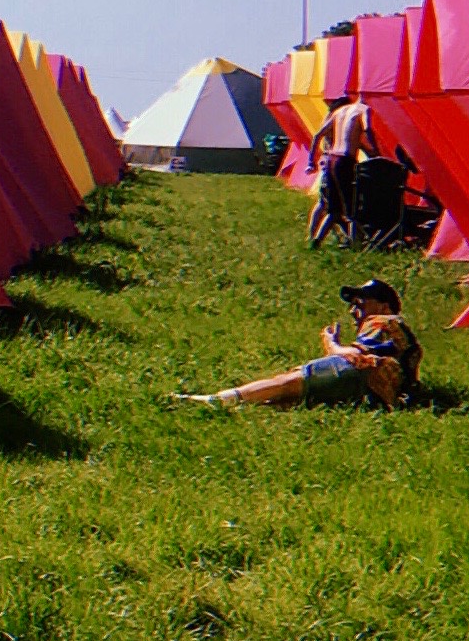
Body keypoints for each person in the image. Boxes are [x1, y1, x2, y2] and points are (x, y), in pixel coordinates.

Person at [177, 278, 423, 409]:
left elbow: (355, 357)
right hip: (375, 398)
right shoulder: (404, 339)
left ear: (384, 306)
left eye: (361, 303)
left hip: (359, 376)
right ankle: (230, 407)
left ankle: (218, 400)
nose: (353, 311)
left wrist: (330, 342)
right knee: (289, 402)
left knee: (285, 384)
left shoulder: (384, 321)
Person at [310, 94, 373, 246]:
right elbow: (368, 129)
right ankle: (354, 243)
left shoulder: (340, 111)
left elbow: (318, 134)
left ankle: (316, 240)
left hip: (332, 158)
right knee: (352, 207)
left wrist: (310, 160)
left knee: (334, 208)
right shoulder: (363, 109)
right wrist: (375, 149)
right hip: (345, 160)